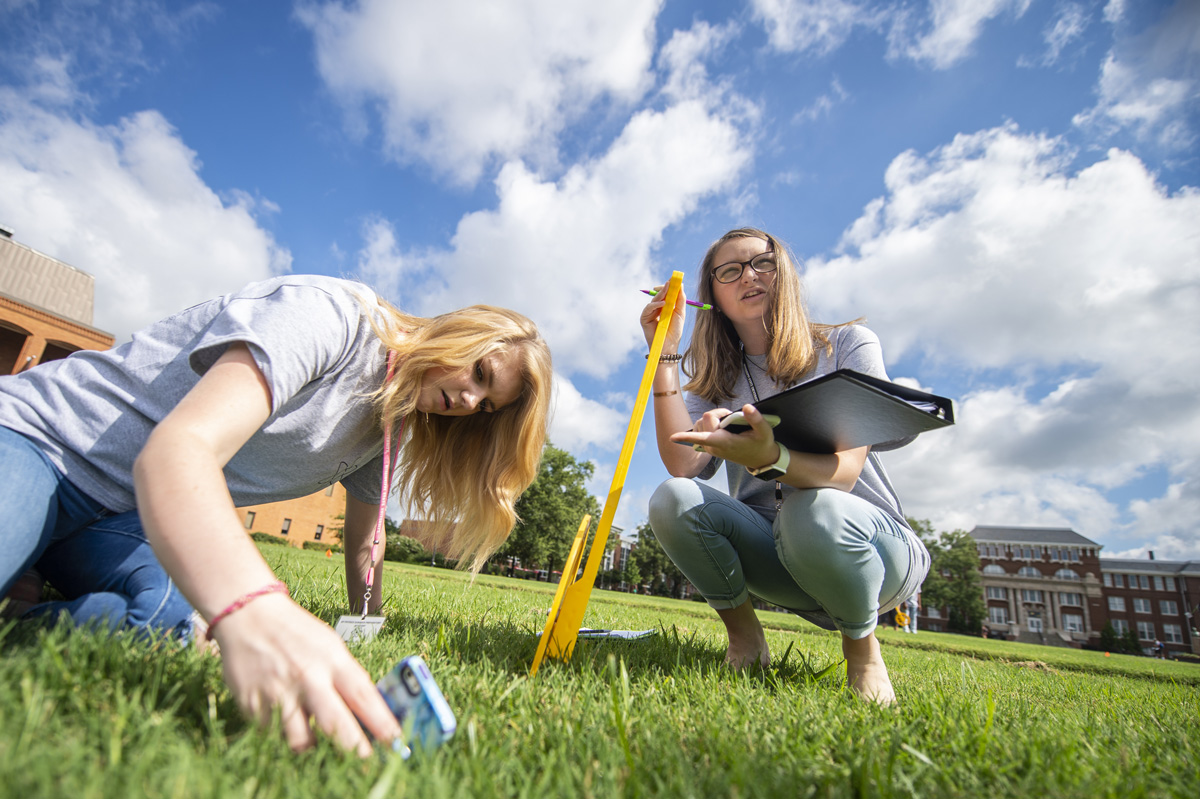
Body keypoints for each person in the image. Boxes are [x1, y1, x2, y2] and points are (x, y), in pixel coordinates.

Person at [0, 274, 552, 755]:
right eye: (479, 373)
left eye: (487, 405)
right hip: (41, 443)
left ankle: (24, 613)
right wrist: (253, 606)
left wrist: (367, 624)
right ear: (461, 329)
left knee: (171, 622)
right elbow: (179, 449)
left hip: (125, 515)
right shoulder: (330, 316)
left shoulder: (389, 427)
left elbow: (367, 540)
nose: (470, 401)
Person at [640, 228, 929, 705]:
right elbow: (682, 466)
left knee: (813, 510)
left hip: (871, 555)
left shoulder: (846, 345)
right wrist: (665, 353)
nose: (749, 277)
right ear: (711, 296)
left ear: (785, 272)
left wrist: (769, 458)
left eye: (762, 263)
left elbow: (843, 475)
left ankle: (862, 650)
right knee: (674, 499)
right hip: (781, 560)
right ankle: (745, 638)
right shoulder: (717, 381)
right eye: (729, 271)